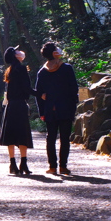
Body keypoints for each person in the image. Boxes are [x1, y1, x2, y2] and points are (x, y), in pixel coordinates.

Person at [35, 41, 80, 175]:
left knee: (51, 138)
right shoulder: (67, 68)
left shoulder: (42, 72)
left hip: (49, 109)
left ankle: (52, 167)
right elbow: (74, 89)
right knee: (64, 138)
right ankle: (63, 166)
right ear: (55, 53)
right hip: (65, 108)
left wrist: (41, 111)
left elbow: (38, 93)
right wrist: (73, 107)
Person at [0, 46, 35, 175]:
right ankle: (23, 163)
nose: (20, 52)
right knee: (23, 134)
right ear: (15, 55)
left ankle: (12, 163)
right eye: (17, 51)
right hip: (20, 105)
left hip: (10, 106)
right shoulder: (22, 69)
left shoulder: (10, 70)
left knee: (11, 135)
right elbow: (27, 88)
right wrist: (39, 94)